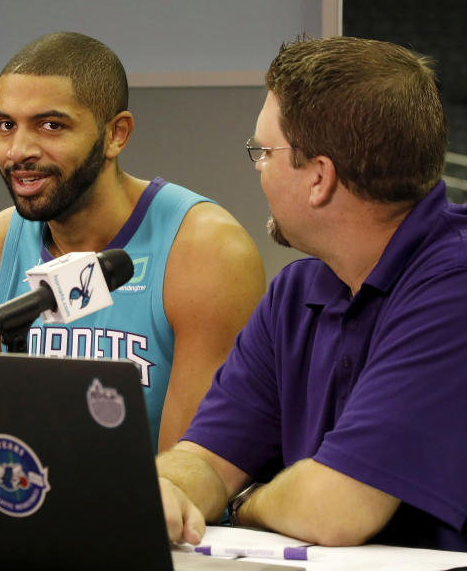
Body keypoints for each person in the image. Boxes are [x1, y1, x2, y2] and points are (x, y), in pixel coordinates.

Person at [158, 36, 467, 551]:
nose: (257, 167)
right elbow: (206, 459)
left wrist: (242, 501)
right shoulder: (297, 294)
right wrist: (168, 489)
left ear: (319, 178)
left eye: (263, 152)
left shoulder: (454, 283)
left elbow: (336, 509)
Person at [0, 32, 265, 451]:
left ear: (116, 134)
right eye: (6, 125)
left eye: (50, 125)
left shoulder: (208, 250)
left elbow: (190, 474)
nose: (18, 151)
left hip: (153, 511)